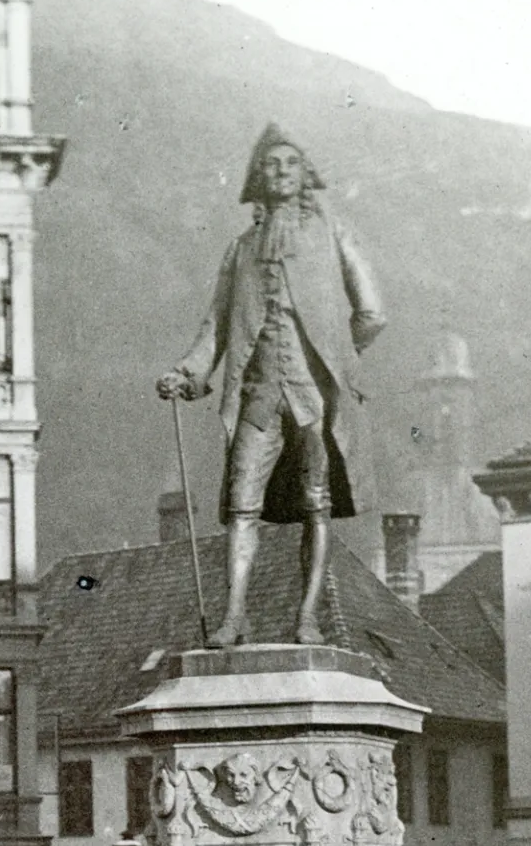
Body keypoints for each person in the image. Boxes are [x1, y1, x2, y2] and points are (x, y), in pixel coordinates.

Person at [157, 122, 386, 647]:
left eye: (291, 163)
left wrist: (338, 359)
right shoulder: (240, 250)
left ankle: (308, 617)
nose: (281, 171)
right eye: (271, 164)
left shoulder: (333, 235)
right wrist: (186, 373)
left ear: (306, 174)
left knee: (316, 504)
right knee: (242, 506)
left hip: (314, 398)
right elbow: (216, 325)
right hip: (257, 398)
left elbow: (372, 313)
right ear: (257, 177)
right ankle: (235, 617)